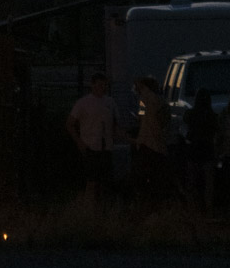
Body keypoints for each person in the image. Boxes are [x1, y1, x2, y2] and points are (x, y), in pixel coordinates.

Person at [66, 73, 123, 201]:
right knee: (91, 180)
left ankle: (100, 208)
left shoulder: (110, 102)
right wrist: (79, 142)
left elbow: (115, 124)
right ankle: (88, 208)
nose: (102, 87)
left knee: (104, 181)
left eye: (104, 85)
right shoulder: (83, 103)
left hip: (106, 147)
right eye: (99, 84)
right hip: (90, 146)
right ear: (92, 85)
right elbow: (70, 124)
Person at [132, 75, 173, 203]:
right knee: (158, 177)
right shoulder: (161, 101)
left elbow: (141, 116)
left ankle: (146, 202)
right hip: (159, 144)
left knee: (144, 175)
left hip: (146, 143)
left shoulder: (144, 99)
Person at [182, 87, 219, 213]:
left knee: (192, 182)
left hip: (193, 150)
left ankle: (192, 207)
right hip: (208, 151)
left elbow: (185, 126)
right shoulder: (213, 116)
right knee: (209, 184)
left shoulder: (190, 114)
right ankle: (208, 208)